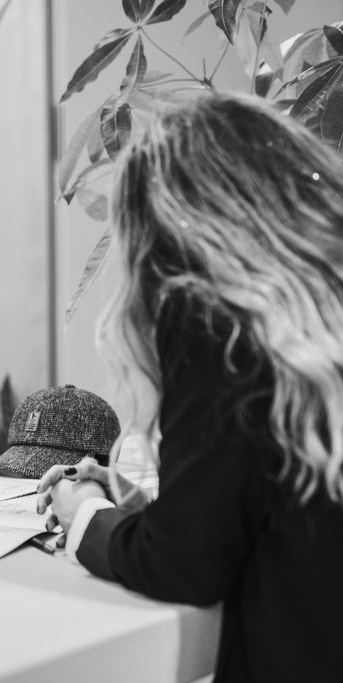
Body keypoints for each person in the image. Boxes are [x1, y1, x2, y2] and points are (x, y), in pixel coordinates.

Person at [36, 92, 343, 683]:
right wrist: (146, 505)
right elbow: (280, 504)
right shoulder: (317, 310)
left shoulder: (217, 323)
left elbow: (186, 565)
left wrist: (85, 515)